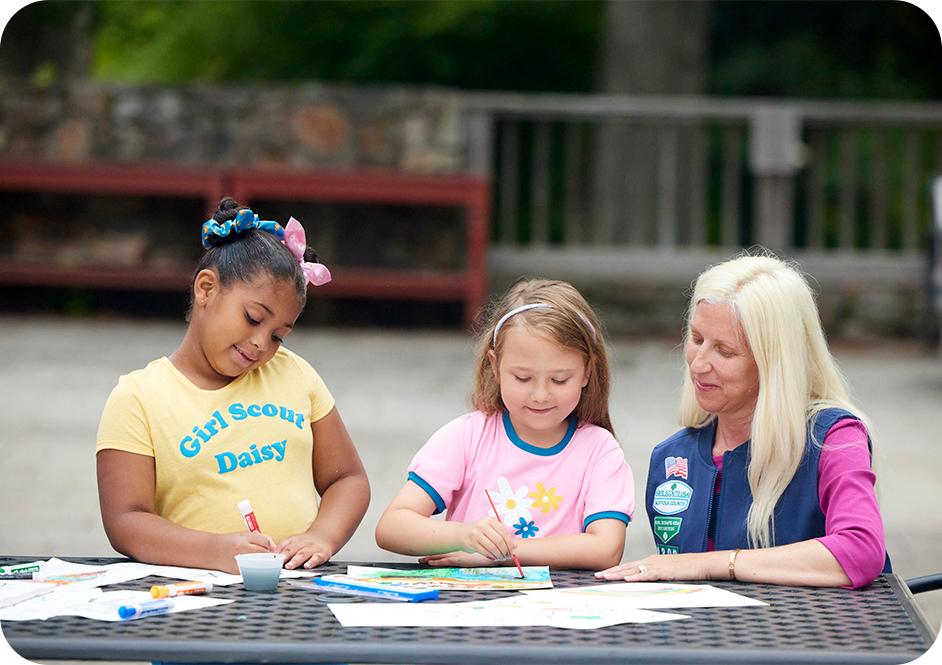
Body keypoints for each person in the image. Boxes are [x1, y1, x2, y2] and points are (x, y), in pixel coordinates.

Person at [96, 198, 370, 574]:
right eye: (253, 318)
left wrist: (322, 536)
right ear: (206, 289)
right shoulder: (138, 398)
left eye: (278, 336)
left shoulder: (295, 375)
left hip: (295, 589)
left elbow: (348, 479)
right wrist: (213, 551)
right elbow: (126, 521)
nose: (261, 343)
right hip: (197, 593)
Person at [596, 253, 890, 588]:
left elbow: (862, 551)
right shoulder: (672, 457)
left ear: (775, 362)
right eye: (696, 339)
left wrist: (714, 564)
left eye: (724, 351)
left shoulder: (834, 438)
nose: (699, 363)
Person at [375, 278, 634, 570]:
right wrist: (464, 535)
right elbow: (392, 526)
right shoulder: (468, 436)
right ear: (495, 366)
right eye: (522, 378)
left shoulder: (599, 450)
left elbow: (606, 548)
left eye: (560, 379)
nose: (540, 395)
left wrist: (503, 553)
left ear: (587, 372)